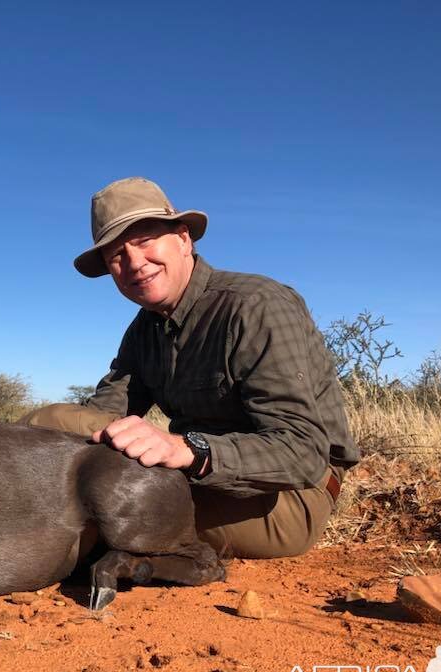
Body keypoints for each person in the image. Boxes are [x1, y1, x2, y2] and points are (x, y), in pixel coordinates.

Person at [22, 177, 360, 559]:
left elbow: (301, 452)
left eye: (145, 240)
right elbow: (101, 416)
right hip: (196, 477)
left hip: (288, 498)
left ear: (184, 239)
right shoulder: (144, 329)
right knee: (49, 422)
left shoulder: (256, 305)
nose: (134, 263)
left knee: (106, 505)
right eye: (116, 255)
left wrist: (188, 448)